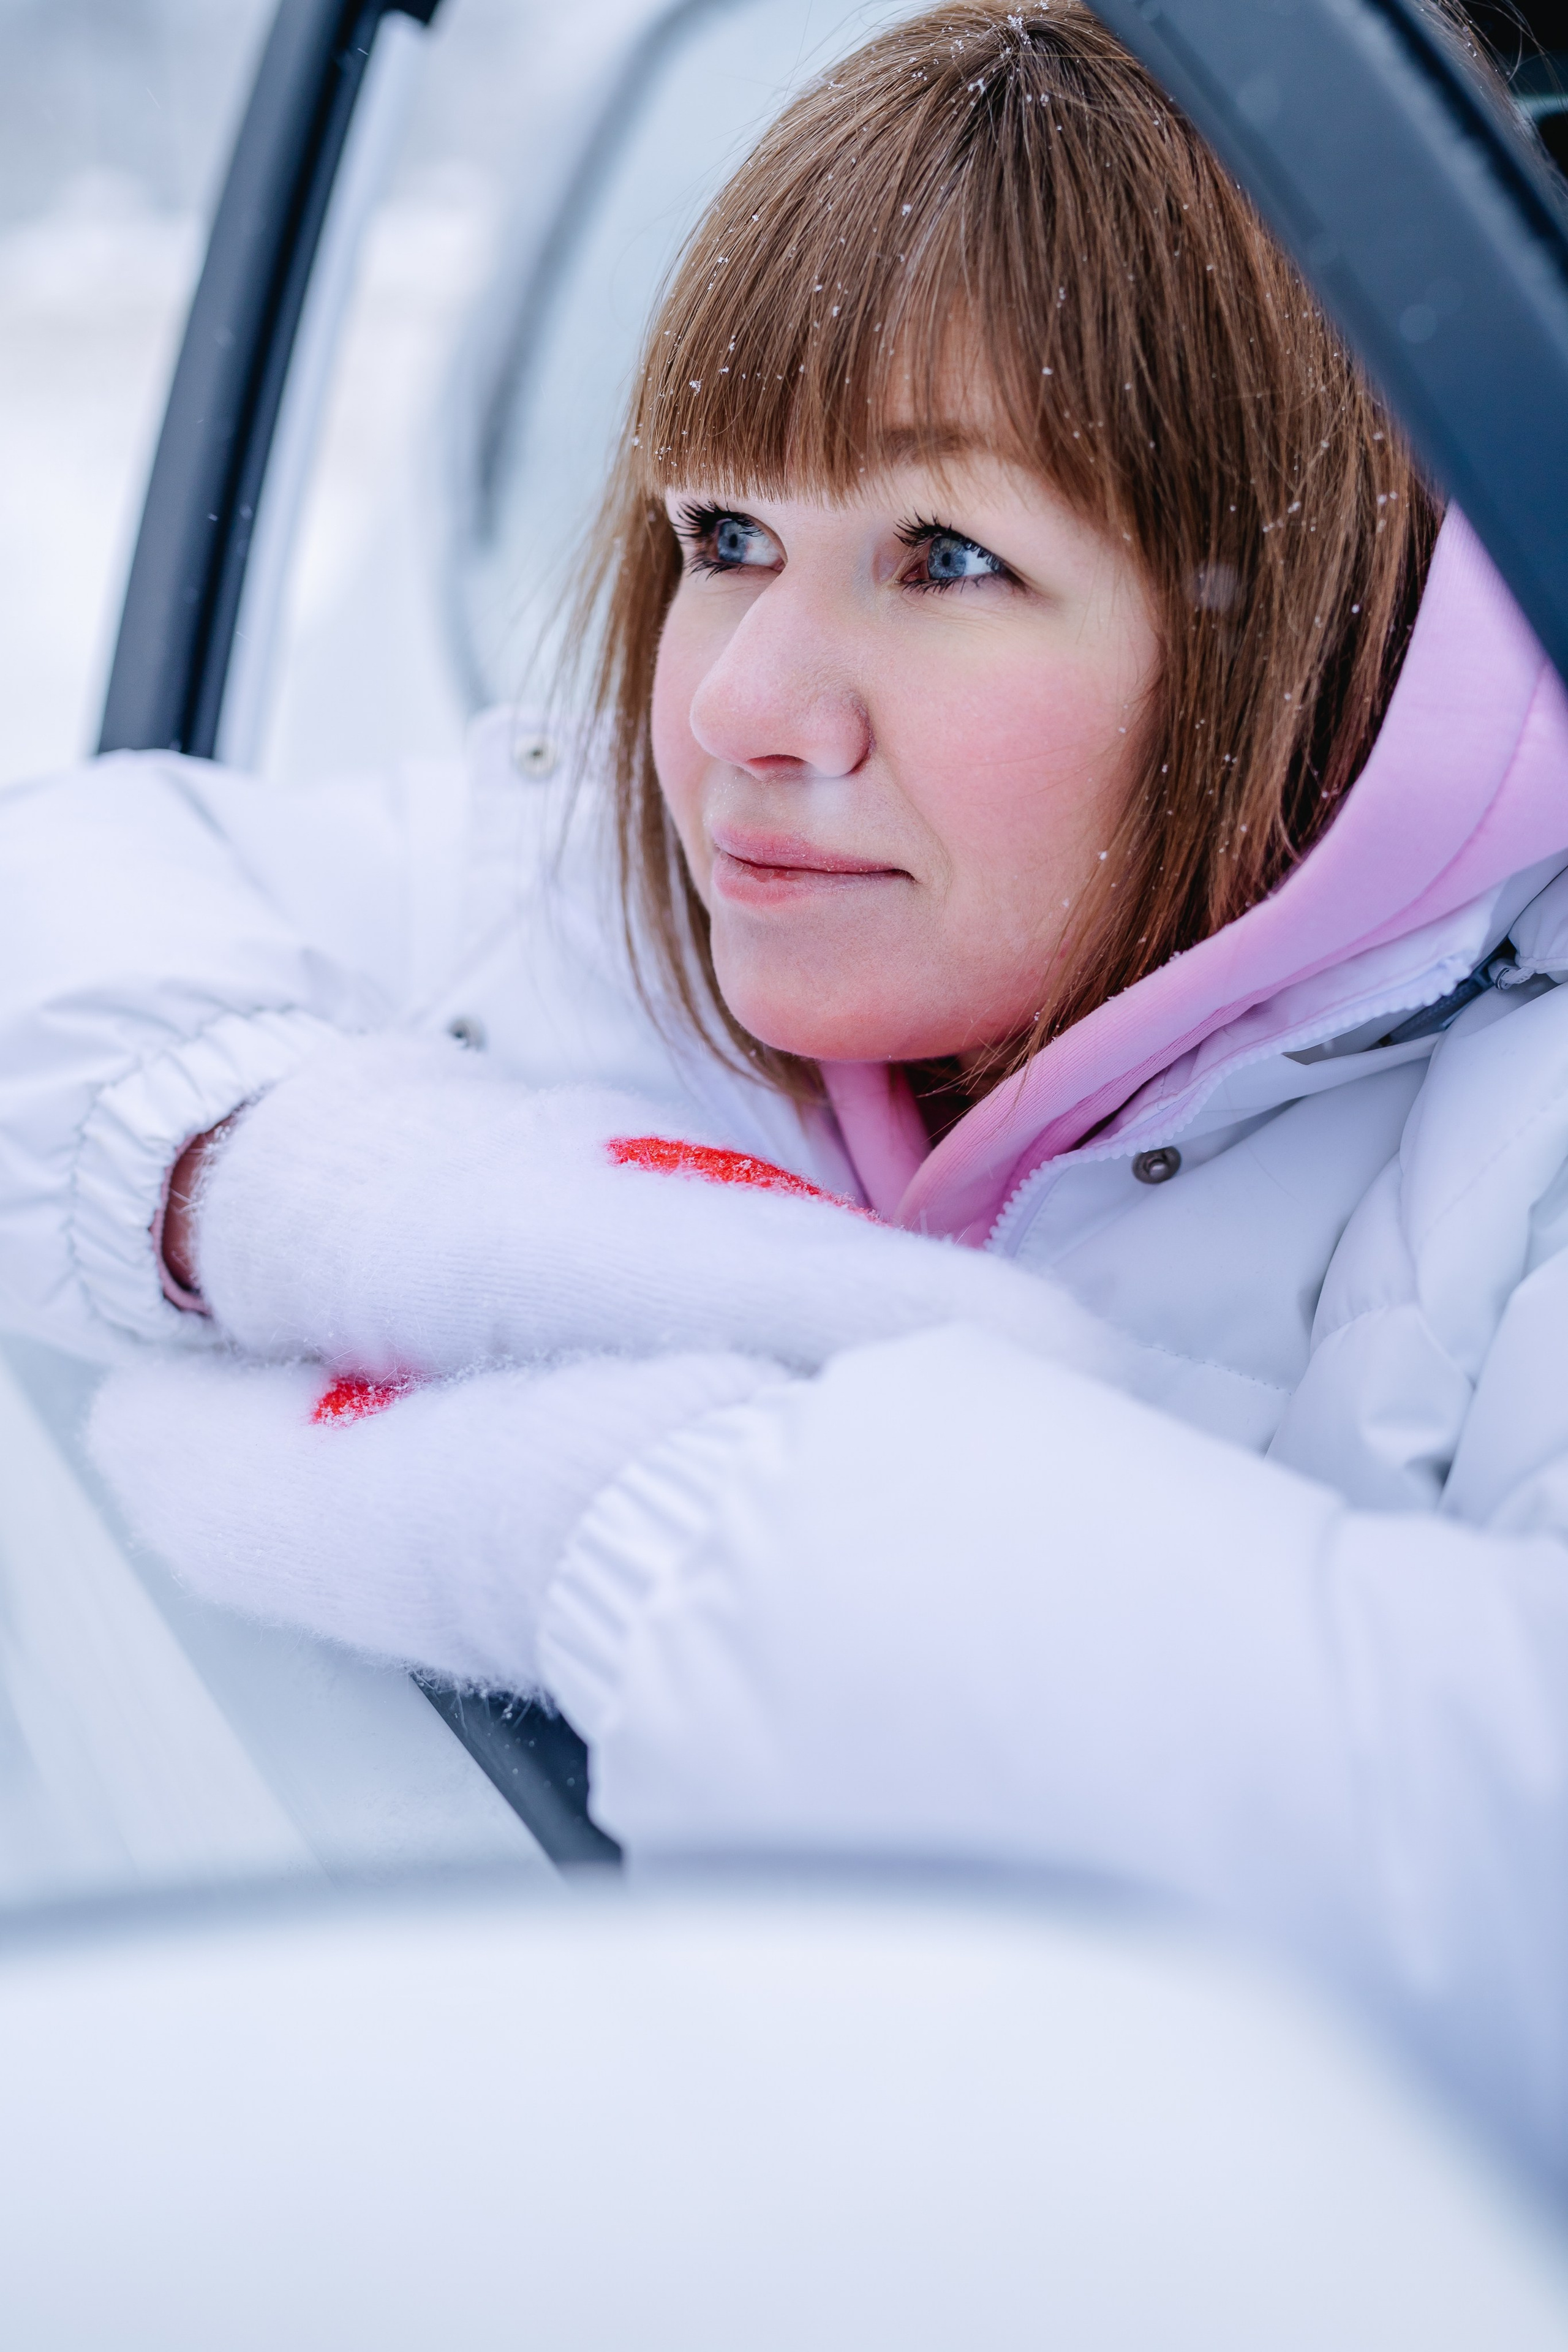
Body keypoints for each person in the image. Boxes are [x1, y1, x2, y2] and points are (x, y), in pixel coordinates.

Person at [2, 0, 1567, 2179]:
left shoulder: (1522, 1143)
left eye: (945, 559)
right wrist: (323, 1198)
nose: (743, 706)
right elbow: (68, 893)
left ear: (1310, 629)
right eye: (724, 533)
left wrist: (632, 1512)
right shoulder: (599, 891)